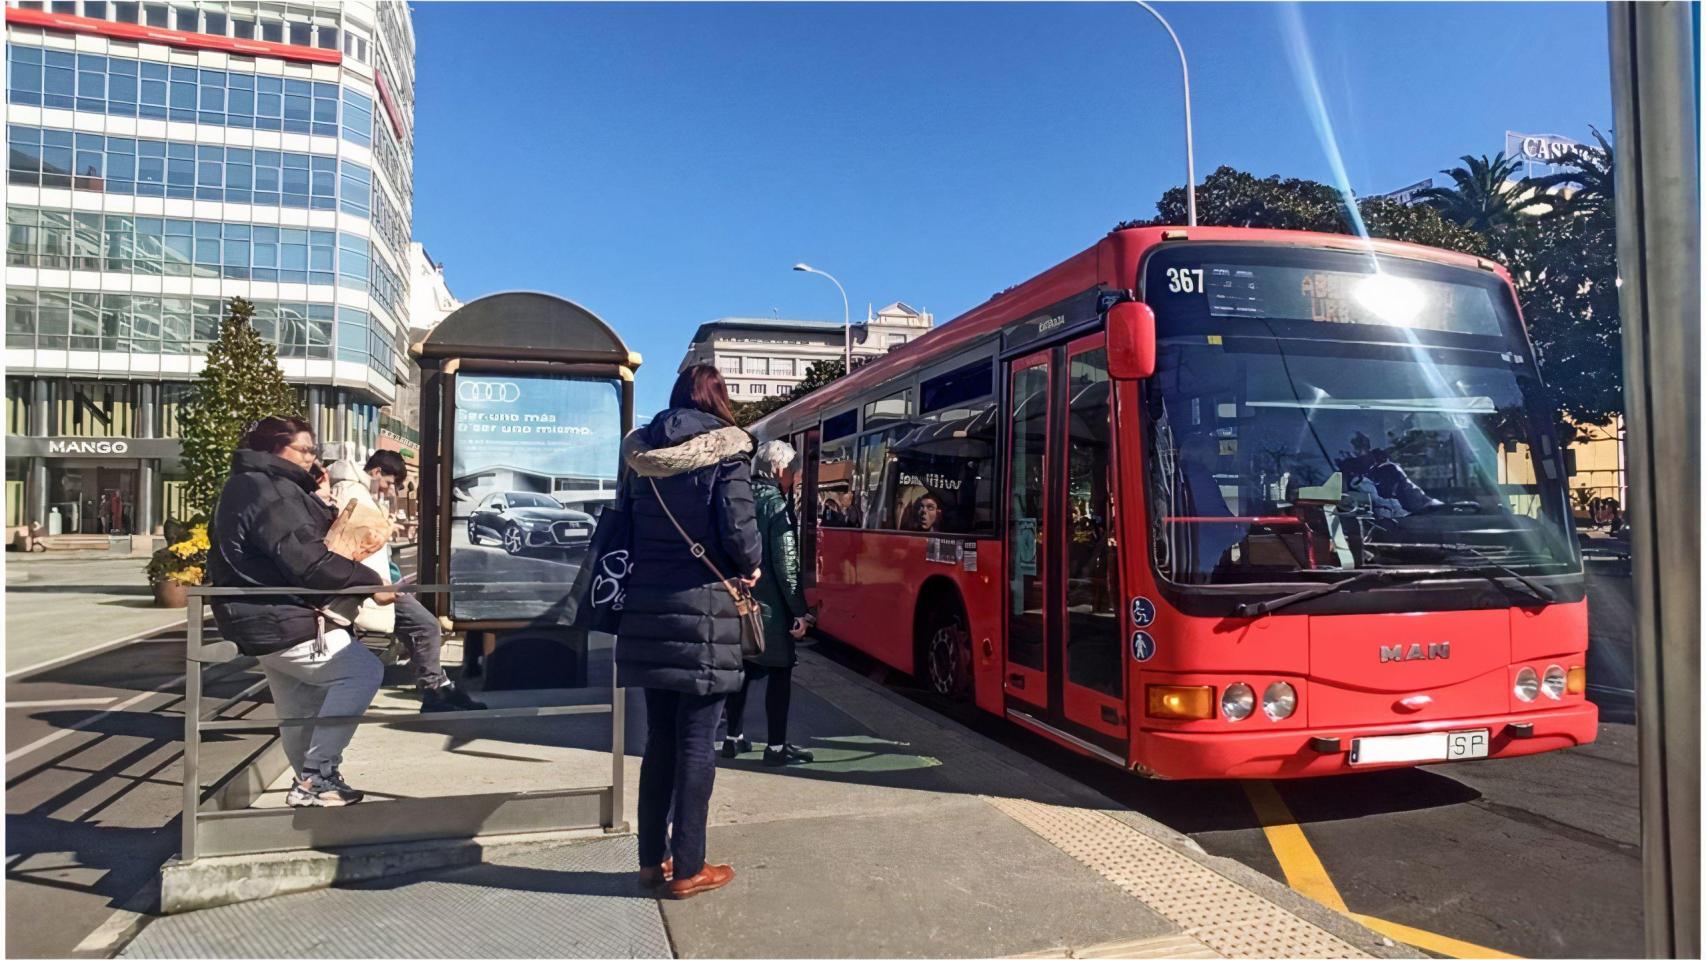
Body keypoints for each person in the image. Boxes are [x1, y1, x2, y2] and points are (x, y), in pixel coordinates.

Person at [617, 364, 760, 900]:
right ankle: (690, 868)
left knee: (659, 741)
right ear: (718, 399)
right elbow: (740, 530)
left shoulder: (640, 457)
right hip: (705, 611)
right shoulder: (729, 453)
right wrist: (752, 564)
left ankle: (651, 862)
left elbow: (626, 529)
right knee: (699, 741)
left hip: (647, 608)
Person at [208, 417, 394, 807]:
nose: (313, 458)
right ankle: (315, 780)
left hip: (259, 616)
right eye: (306, 450)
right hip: (281, 616)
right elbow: (310, 561)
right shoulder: (272, 492)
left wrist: (318, 497)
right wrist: (371, 583)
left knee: (299, 708)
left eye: (315, 451)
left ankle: (312, 784)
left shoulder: (249, 486)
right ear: (274, 449)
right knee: (361, 672)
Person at [326, 451, 486, 712]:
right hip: (371, 586)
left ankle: (437, 685)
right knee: (426, 627)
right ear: (376, 472)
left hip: (375, 583)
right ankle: (435, 689)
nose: (390, 490)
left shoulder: (356, 491)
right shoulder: (352, 492)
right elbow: (351, 543)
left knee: (422, 628)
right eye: (390, 483)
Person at [720, 440, 813, 766]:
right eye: (792, 473)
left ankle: (732, 738)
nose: (793, 480)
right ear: (778, 469)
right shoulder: (777, 506)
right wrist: (800, 611)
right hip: (770, 610)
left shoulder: (736, 499)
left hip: (737, 603)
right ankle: (775, 748)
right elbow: (786, 563)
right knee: (780, 672)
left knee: (742, 670)